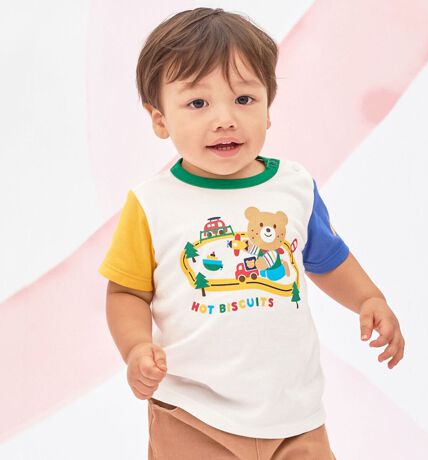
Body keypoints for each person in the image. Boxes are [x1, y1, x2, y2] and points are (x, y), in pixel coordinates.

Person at [98, 7, 405, 459]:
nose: (225, 119)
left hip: (294, 417)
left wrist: (368, 298)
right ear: (159, 118)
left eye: (244, 99)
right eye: (198, 103)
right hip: (192, 414)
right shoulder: (151, 204)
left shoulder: (293, 187)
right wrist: (136, 347)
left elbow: (327, 256)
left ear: (268, 107)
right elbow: (126, 291)